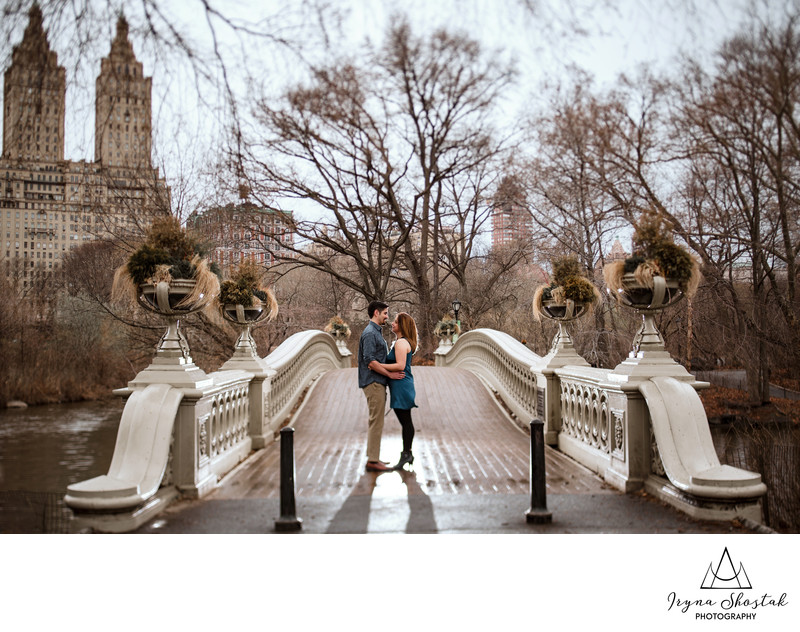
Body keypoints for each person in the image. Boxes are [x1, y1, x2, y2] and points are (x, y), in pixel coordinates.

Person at [358, 300, 404, 472]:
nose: (387, 316)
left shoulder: (375, 332)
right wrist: (390, 374)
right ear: (376, 313)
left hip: (377, 382)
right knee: (376, 421)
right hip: (373, 382)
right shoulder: (370, 333)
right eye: (385, 313)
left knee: (376, 420)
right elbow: (370, 361)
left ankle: (373, 457)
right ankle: (373, 460)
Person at [379, 312, 418, 470]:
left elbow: (400, 366)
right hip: (401, 384)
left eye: (395, 322)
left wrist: (378, 365)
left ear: (402, 326)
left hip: (401, 384)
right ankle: (407, 453)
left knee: (406, 421)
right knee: (406, 421)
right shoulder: (401, 342)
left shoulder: (401, 343)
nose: (392, 323)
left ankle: (407, 454)